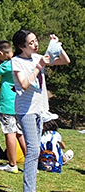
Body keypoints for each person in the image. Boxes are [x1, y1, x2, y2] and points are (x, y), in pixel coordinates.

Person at [12, 30, 70, 192]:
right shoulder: (16, 61)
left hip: (40, 109)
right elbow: (24, 84)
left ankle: (30, 187)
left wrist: (57, 45)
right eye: (31, 43)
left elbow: (65, 61)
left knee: (35, 148)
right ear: (22, 46)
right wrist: (39, 66)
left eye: (36, 40)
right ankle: (29, 189)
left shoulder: (38, 57)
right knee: (33, 150)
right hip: (26, 110)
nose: (36, 44)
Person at [0, 40, 26, 173]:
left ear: (1, 52)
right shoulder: (21, 61)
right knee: (21, 134)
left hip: (7, 103)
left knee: (10, 133)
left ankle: (12, 164)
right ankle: (31, 164)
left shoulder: (6, 65)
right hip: (21, 103)